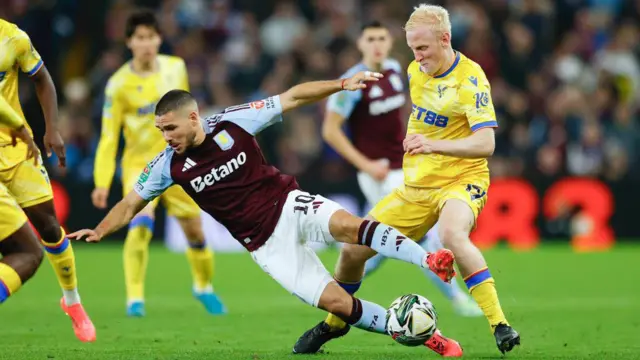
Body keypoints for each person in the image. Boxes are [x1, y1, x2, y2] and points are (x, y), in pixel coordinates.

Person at [70, 72, 462, 357]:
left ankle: (429, 259)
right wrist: (101, 230)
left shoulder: (233, 121)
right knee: (339, 306)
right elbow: (130, 202)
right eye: (160, 130)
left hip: (288, 203)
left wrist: (340, 85)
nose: (166, 137)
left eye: (170, 128)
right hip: (265, 245)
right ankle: (419, 333)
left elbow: (291, 97)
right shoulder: (166, 166)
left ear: (193, 118)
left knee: (350, 226)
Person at [293, 4, 520, 355]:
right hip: (415, 187)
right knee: (352, 249)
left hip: (461, 180)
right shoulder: (413, 70)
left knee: (450, 234)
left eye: (424, 47)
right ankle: (334, 324)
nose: (417, 55)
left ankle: (500, 324)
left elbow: (486, 143)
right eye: (413, 48)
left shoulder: (470, 79)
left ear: (445, 38)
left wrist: (431, 144)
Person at [320, 20, 482, 327]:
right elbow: (330, 130)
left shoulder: (395, 69)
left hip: (404, 165)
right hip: (379, 172)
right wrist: (365, 164)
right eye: (371, 38)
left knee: (378, 240)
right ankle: (458, 298)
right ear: (360, 44)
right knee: (420, 234)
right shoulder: (353, 81)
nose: (377, 43)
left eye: (382, 37)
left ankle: (334, 288)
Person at [92, 10, 225, 317]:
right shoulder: (118, 85)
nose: (147, 43)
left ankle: (203, 287)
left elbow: (190, 114)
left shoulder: (175, 68)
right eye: (140, 38)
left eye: (151, 36)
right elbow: (109, 137)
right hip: (141, 165)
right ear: (129, 42)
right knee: (140, 224)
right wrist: (102, 181)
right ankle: (135, 300)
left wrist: (204, 151)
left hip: (180, 162)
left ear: (159, 38)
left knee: (195, 232)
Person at [0, 19, 95, 342]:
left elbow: (42, 79)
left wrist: (52, 128)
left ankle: (73, 303)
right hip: (18, 135)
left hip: (16, 151)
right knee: (22, 248)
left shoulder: (14, 38)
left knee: (50, 228)